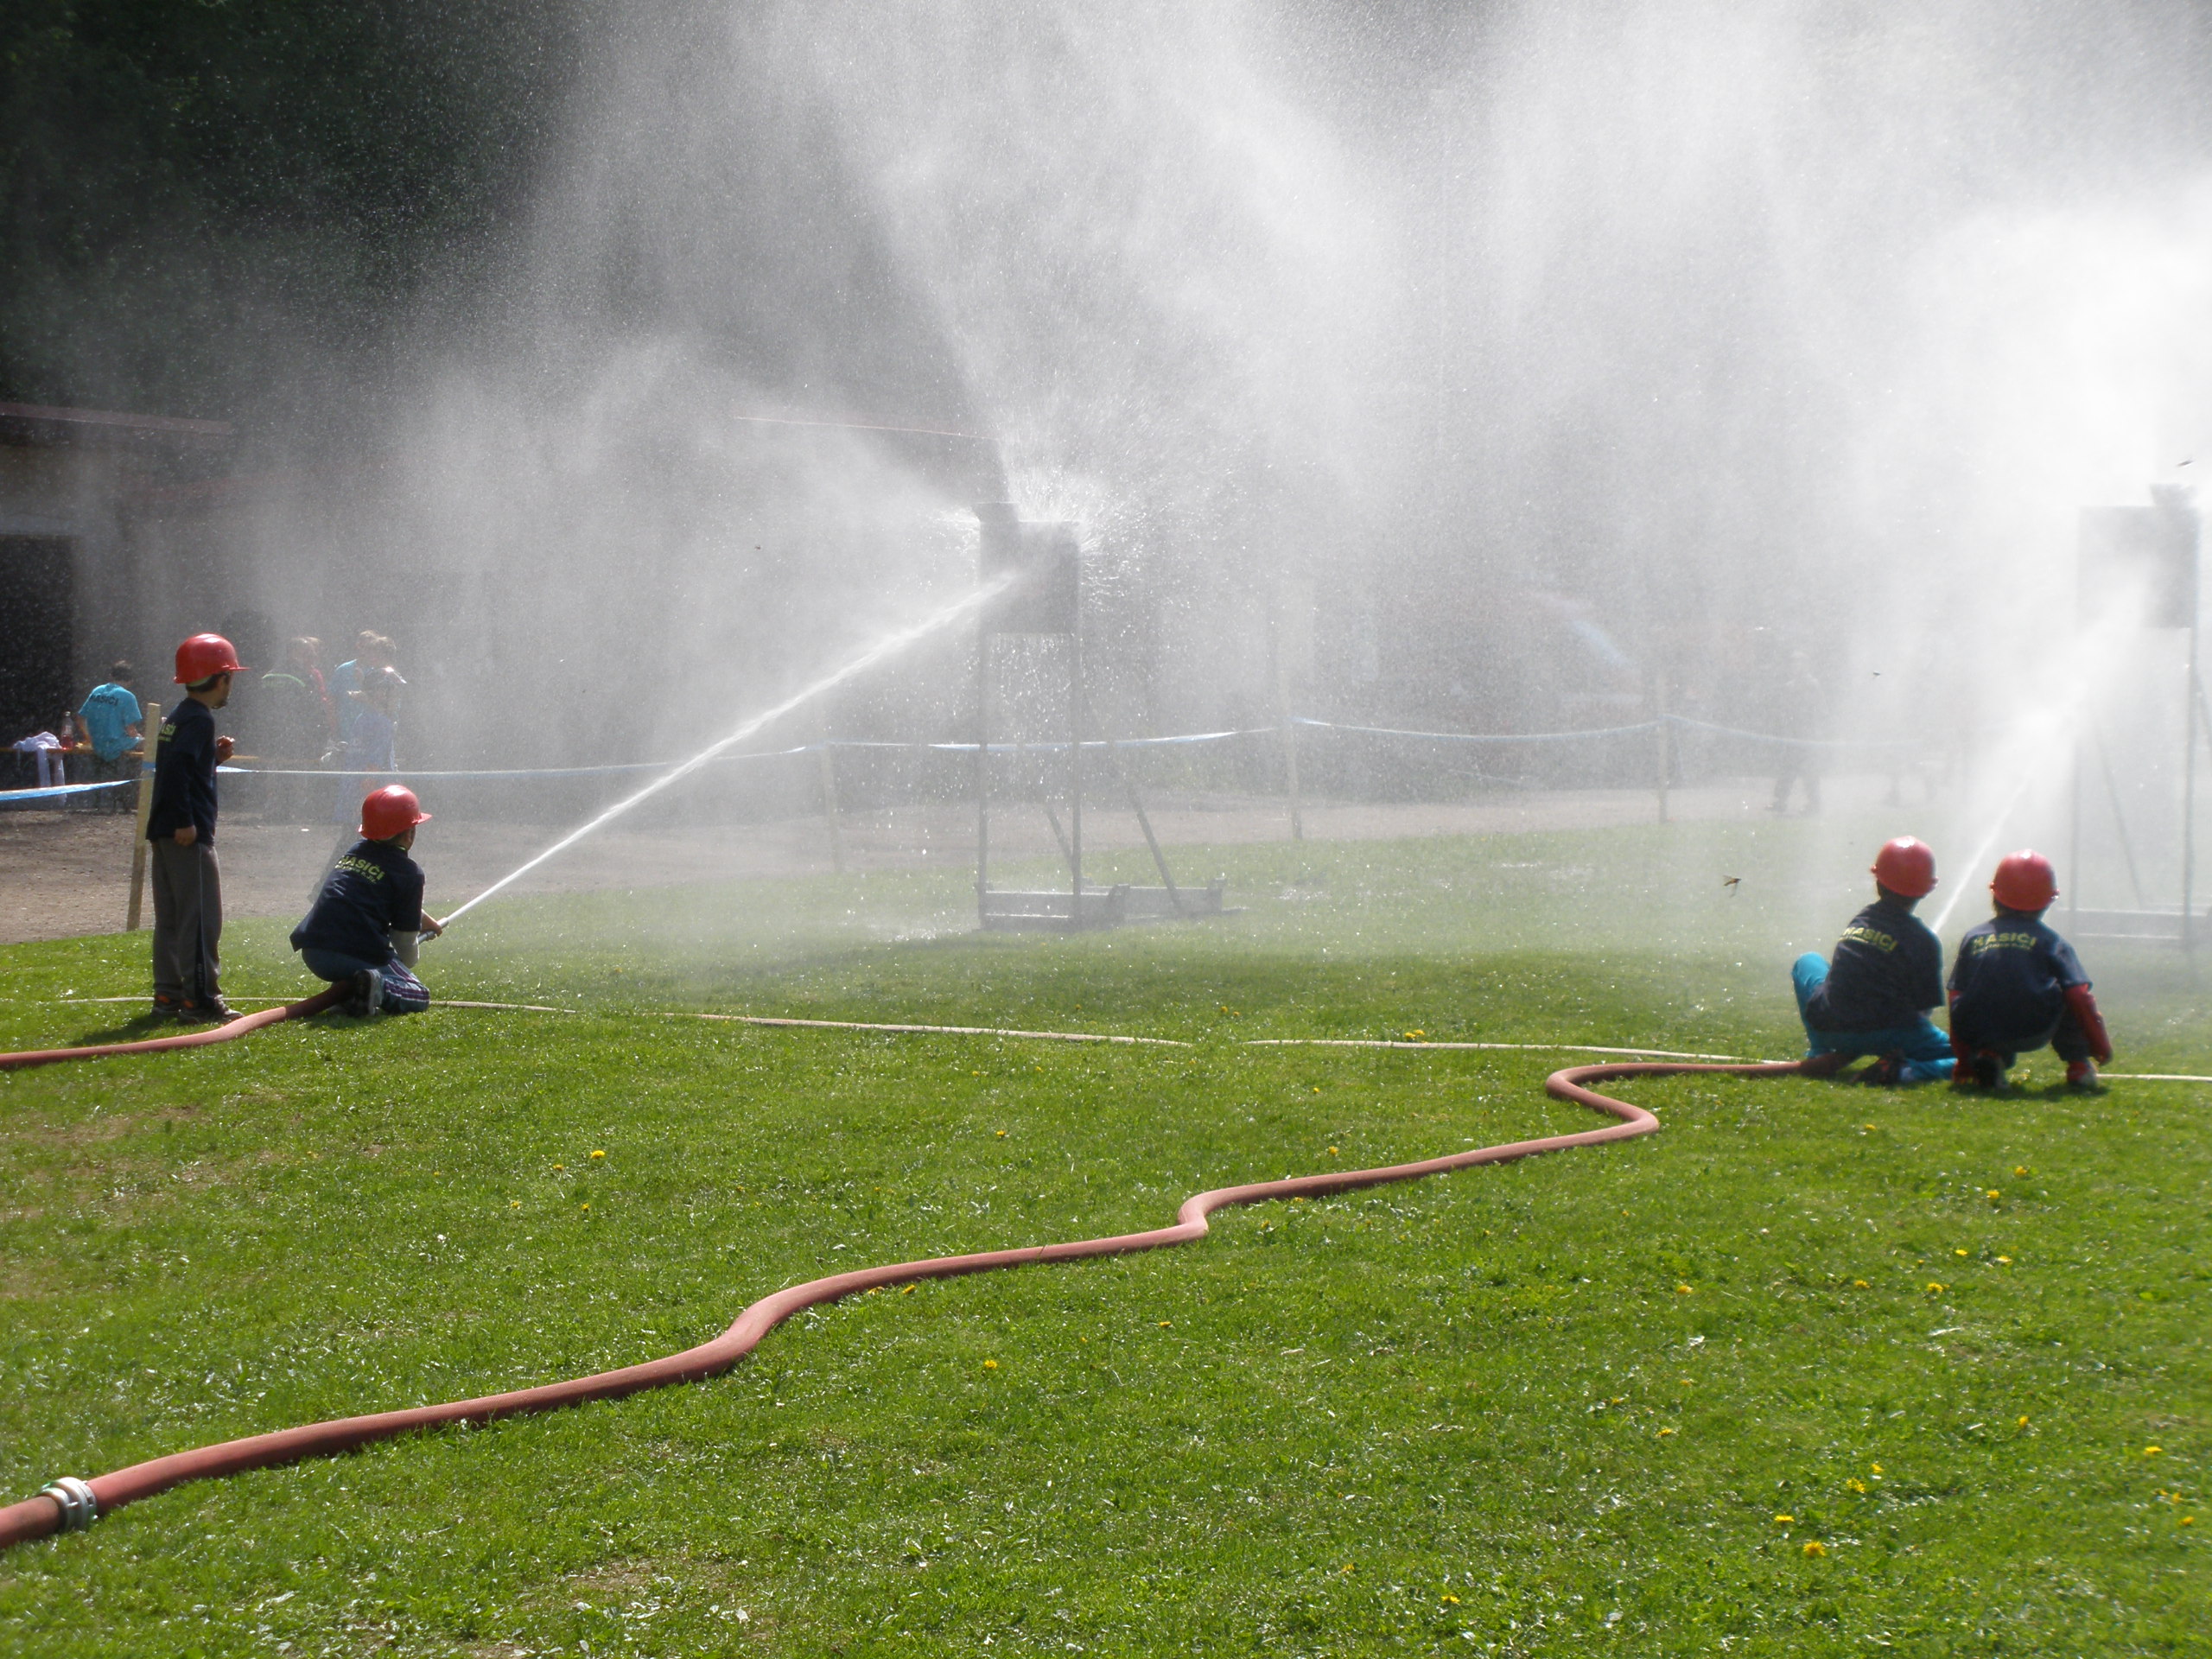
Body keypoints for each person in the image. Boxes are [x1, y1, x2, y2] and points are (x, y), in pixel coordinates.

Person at [1790, 836, 1955, 1085]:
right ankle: (1905, 1072)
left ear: (1878, 880)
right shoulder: (1924, 940)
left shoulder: (1861, 919)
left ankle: (1820, 1051)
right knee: (1970, 1057)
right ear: (1928, 888)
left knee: (1808, 961)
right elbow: (1923, 1010)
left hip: (1830, 1026)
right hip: (1890, 1035)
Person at [1949, 850, 2113, 1091]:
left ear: (1996, 894)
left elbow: (1955, 998)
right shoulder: (2051, 942)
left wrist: (1964, 1061)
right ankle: (2079, 1066)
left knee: (1986, 998)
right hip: (2030, 1030)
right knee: (2065, 992)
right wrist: (2100, 1046)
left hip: (1977, 1030)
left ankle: (1990, 1057)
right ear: (2048, 900)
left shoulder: (1973, 937)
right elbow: (2079, 996)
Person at [146, 633, 245, 1021]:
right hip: (188, 834)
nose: (230, 686)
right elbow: (173, 773)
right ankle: (201, 1000)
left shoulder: (179, 715)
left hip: (163, 830)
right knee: (201, 919)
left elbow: (183, 769)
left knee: (171, 919)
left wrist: (213, 758)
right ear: (220, 678)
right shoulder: (201, 718)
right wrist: (186, 821)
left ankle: (168, 996)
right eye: (230, 677)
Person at [291, 785, 443, 1016]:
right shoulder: (409, 872)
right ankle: (376, 985)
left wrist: (423, 919)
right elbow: (405, 945)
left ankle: (358, 990)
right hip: (355, 953)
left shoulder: (355, 851)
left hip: (313, 951)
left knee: (363, 975)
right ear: (409, 833)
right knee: (418, 993)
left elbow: (367, 892)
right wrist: (404, 962)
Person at [78, 661, 144, 812]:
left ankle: (101, 800)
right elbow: (130, 729)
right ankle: (127, 797)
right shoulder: (128, 696)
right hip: (117, 745)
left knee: (105, 769)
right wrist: (139, 737)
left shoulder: (97, 691)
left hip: (97, 745)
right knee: (148, 747)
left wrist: (90, 737)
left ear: (110, 676)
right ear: (131, 680)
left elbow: (80, 718)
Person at [330, 632, 396, 745]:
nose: (366, 653)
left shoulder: (386, 675)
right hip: (350, 727)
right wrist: (334, 727)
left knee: (372, 761)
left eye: (371, 650)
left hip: (376, 730)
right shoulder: (344, 670)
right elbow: (332, 700)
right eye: (363, 647)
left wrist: (363, 694)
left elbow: (388, 709)